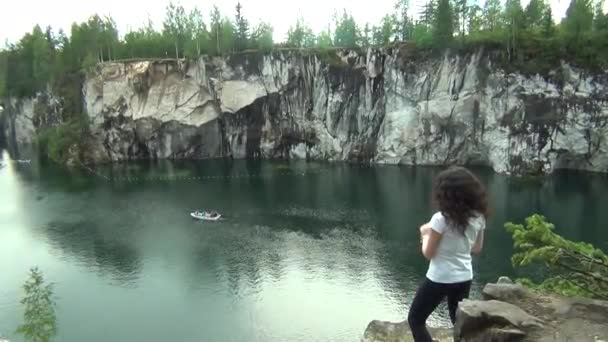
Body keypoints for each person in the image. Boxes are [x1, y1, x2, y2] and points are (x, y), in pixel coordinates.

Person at [407, 166, 488, 342]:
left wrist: (424, 234)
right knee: (457, 322)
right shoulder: (479, 217)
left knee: (416, 319)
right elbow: (476, 248)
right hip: (464, 276)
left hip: (439, 278)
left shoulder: (440, 219)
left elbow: (428, 253)